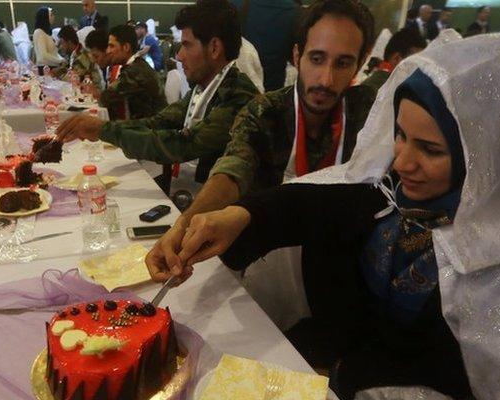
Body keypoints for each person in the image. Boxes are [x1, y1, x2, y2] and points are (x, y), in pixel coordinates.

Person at [147, 28, 500, 400]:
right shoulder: (398, 202)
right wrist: (236, 217)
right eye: (400, 135)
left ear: (492, 160)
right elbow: (311, 206)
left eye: (430, 149)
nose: (401, 162)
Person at [145, 0, 376, 297]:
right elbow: (232, 170)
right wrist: (185, 224)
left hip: (339, 279)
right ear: (296, 54)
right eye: (316, 59)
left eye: (343, 63)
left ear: (361, 61)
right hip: (269, 272)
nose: (326, 79)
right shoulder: (267, 111)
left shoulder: (369, 115)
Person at [56, 0, 259, 187]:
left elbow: (184, 145)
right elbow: (156, 122)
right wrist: (102, 128)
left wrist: (104, 131)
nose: (178, 56)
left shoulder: (238, 96)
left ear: (214, 48)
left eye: (186, 45)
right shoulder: (202, 88)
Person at [99, 24, 166, 120]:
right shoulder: (136, 64)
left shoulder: (135, 71)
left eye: (111, 46)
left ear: (126, 47)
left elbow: (105, 98)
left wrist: (94, 92)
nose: (108, 51)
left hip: (151, 129)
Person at [230, 0, 300, 91]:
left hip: (228, 95)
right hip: (270, 97)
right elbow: (299, 60)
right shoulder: (292, 12)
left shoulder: (227, 6)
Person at [362, 27, 426, 91]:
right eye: (417, 62)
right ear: (396, 58)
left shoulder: (372, 82)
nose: (420, 69)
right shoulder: (393, 89)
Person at [53, 25, 102, 90]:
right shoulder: (73, 53)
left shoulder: (83, 56)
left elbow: (72, 78)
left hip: (92, 93)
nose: (61, 47)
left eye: (62, 43)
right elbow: (64, 68)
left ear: (69, 42)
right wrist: (54, 72)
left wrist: (56, 77)